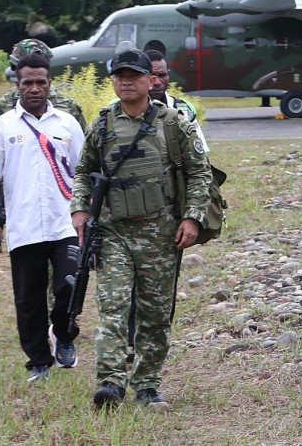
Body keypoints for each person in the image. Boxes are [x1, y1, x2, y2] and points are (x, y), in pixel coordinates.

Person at [69, 45, 212, 409]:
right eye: (120, 75)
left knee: (154, 313)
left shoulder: (173, 122)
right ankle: (111, 383)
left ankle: (147, 385)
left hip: (161, 232)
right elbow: (84, 172)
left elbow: (200, 172)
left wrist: (192, 216)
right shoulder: (101, 124)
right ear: (113, 80)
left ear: (152, 80)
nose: (127, 81)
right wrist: (79, 210)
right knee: (113, 307)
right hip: (114, 231)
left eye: (134, 75)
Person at [0, 53, 85, 383]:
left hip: (65, 223)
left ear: (49, 84)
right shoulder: (2, 127)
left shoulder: (66, 123)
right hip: (25, 226)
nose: (35, 88)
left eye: (41, 82)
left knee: (70, 285)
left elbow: (85, 171)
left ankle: (64, 334)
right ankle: (38, 361)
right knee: (28, 299)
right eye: (28, 83)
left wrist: (91, 215)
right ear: (17, 85)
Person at [0, 39, 86, 163]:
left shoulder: (69, 107)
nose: (34, 89)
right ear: (16, 71)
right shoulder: (0, 108)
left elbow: (84, 149)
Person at [145, 50, 209, 153]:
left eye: (162, 75)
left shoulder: (183, 109)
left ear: (168, 74)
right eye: (152, 76)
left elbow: (201, 152)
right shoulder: (125, 108)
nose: (157, 82)